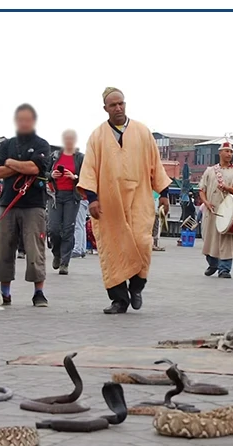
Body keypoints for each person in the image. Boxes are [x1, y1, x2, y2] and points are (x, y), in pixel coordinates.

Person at [77, 87, 172, 314]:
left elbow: (155, 165)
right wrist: (92, 198)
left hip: (140, 198)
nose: (118, 108)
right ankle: (119, 300)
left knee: (142, 243)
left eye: (121, 103)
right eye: (113, 105)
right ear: (105, 109)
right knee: (114, 249)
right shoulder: (97, 136)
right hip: (109, 203)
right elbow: (89, 169)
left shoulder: (142, 132)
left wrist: (165, 194)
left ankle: (137, 286)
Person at [0, 103, 52, 307]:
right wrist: (21, 166)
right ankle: (4, 292)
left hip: (33, 204)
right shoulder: (6, 145)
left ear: (33, 121)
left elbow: (35, 168)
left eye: (28, 119)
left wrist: (11, 163)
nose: (24, 123)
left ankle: (38, 293)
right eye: (20, 119)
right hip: (7, 203)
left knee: (35, 249)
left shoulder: (42, 145)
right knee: (5, 248)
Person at [198, 141, 233, 278]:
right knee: (209, 237)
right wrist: (206, 203)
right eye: (226, 151)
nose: (229, 154)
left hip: (228, 213)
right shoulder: (210, 171)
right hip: (211, 210)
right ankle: (213, 263)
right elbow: (202, 190)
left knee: (226, 239)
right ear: (220, 153)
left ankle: (224, 269)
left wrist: (228, 188)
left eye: (231, 152)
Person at [47, 129, 85, 275]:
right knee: (54, 229)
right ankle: (57, 253)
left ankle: (64, 262)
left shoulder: (80, 158)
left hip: (72, 196)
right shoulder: (55, 156)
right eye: (66, 138)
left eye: (71, 138)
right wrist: (52, 174)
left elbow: (87, 176)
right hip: (55, 196)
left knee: (69, 229)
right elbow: (44, 173)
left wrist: (74, 177)